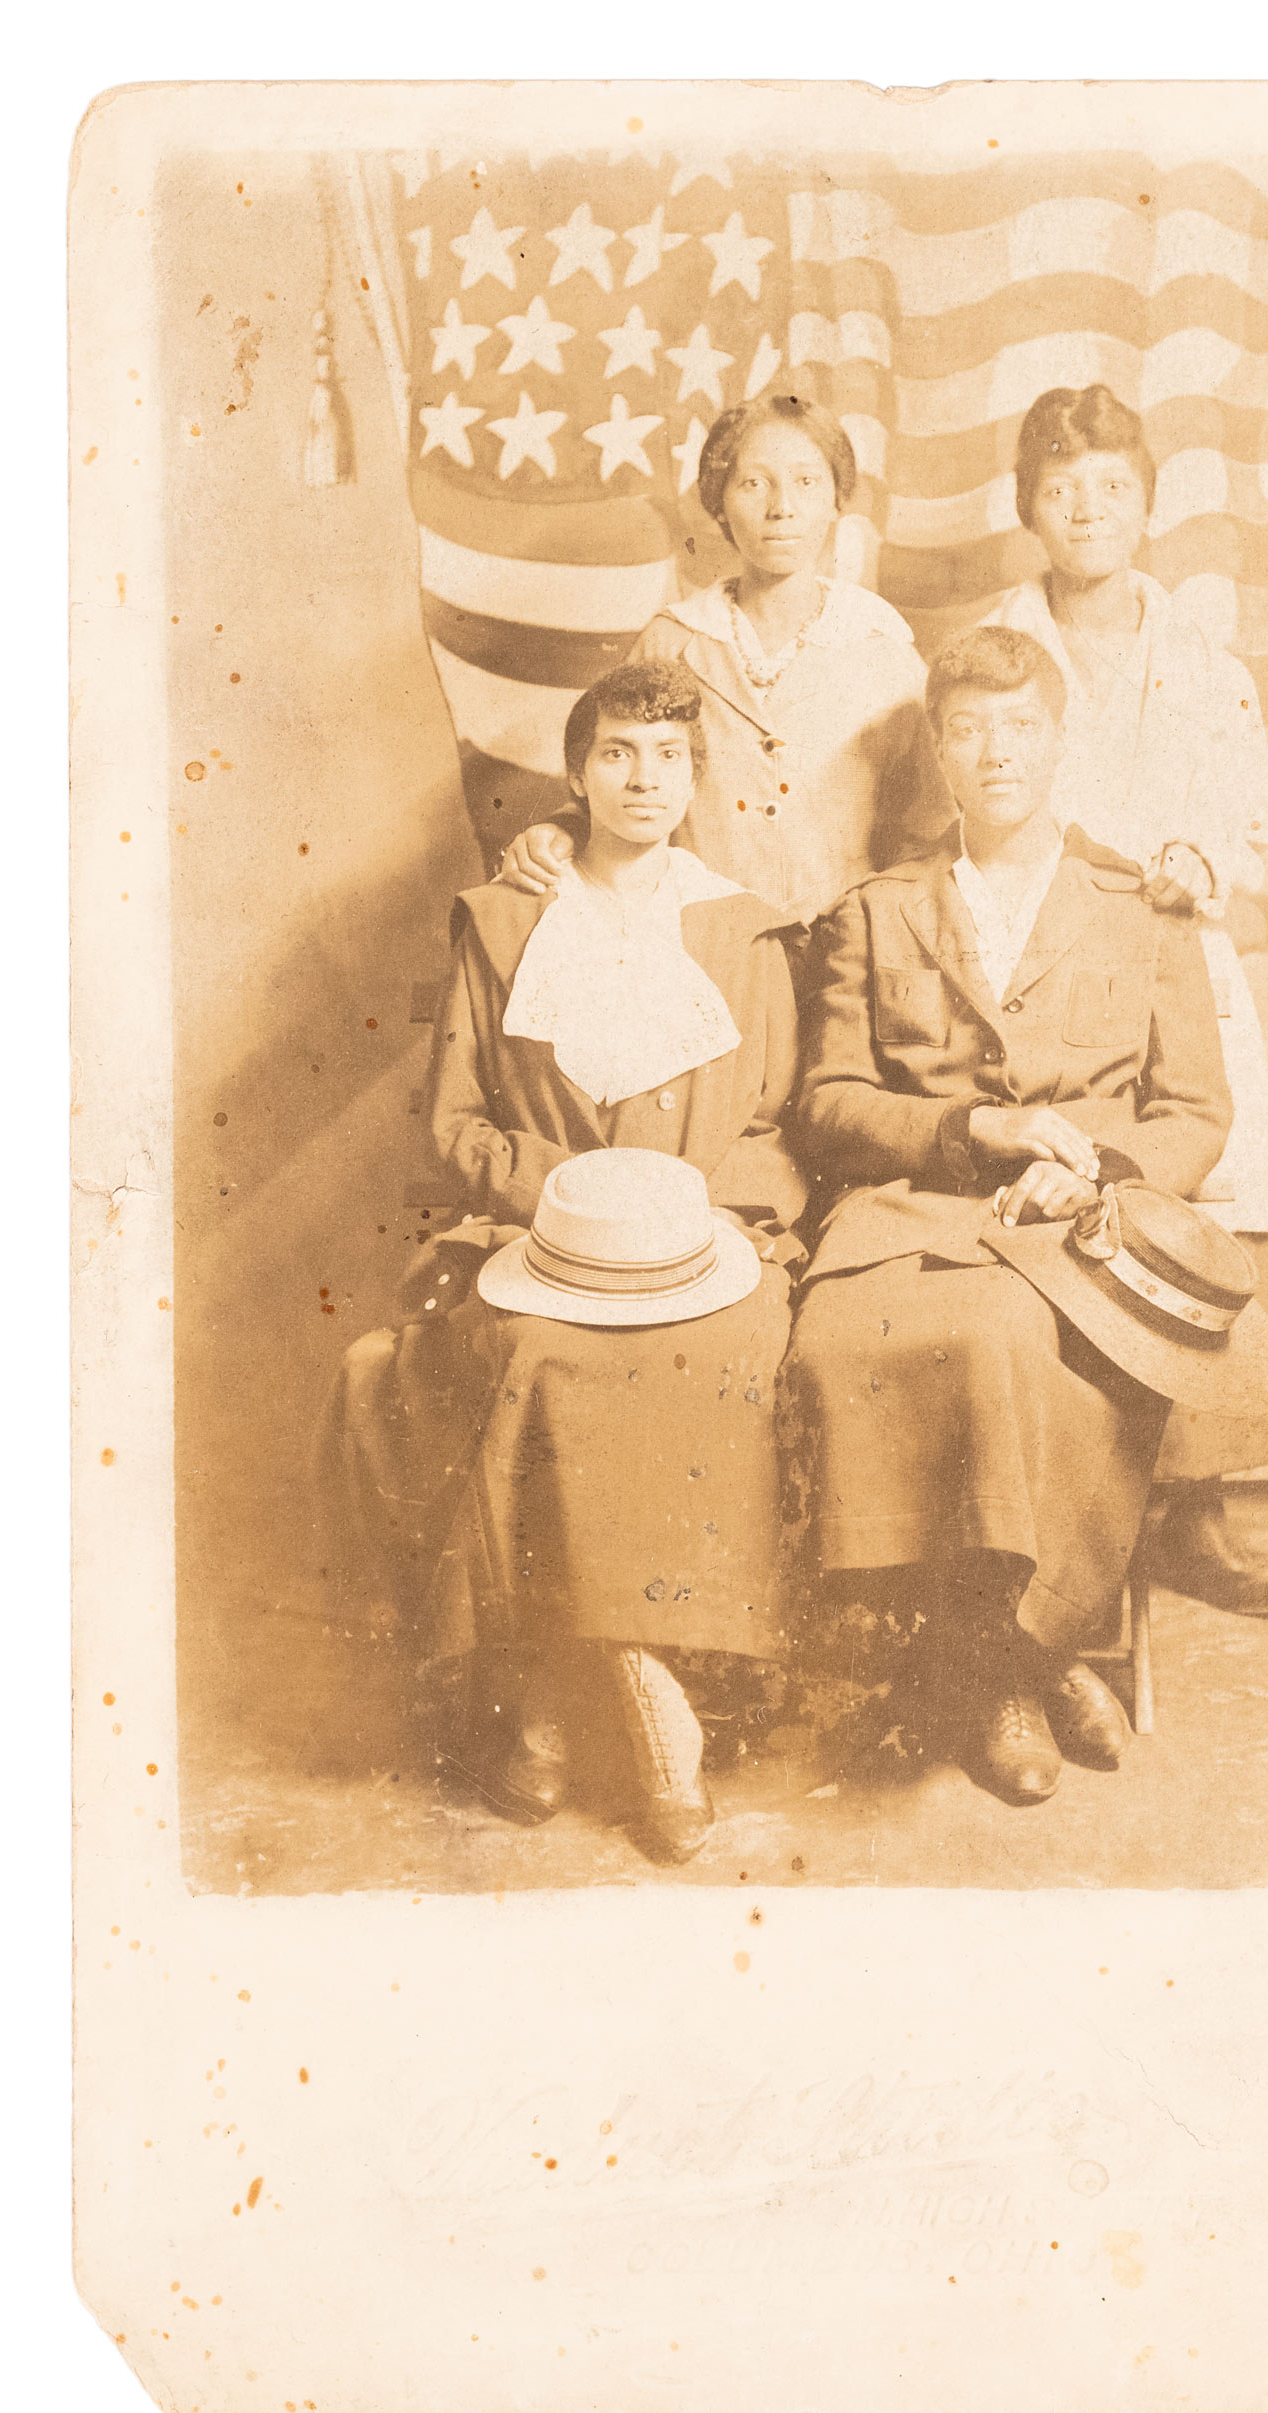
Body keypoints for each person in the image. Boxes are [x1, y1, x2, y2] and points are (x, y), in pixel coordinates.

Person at [322, 661, 807, 1866]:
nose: (644, 782)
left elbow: (773, 1126)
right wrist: (578, 1201)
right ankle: (651, 1716)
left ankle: (548, 1698)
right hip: (535, 1245)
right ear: (576, 773)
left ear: (696, 778)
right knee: (536, 1352)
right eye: (616, 755)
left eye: (669, 758)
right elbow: (453, 1125)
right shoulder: (501, 919)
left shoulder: (740, 929)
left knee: (725, 1350)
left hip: (706, 1245)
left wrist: (690, 1212)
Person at [780, 626, 1235, 1806]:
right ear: (936, 747)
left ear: (1057, 741)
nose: (994, 753)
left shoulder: (1140, 905)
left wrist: (1099, 1171)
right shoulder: (876, 910)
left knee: (1010, 1339)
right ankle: (1018, 1662)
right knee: (845, 1347)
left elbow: (1192, 1111)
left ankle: (997, 1665)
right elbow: (826, 1103)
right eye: (969, 729)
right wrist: (967, 1134)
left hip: (1079, 1234)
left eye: (1019, 726)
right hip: (903, 1213)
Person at [982, 384, 1268, 1616]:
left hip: (1178, 954)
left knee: (1200, 1198)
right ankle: (1084, 1511)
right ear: (1028, 506)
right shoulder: (996, 651)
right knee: (1069, 1196)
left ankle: (1196, 1509)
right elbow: (968, 796)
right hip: (1052, 960)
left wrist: (1200, 866)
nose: (1085, 509)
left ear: (1142, 504)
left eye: (1109, 487)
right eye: (1060, 488)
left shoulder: (1202, 661)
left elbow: (1248, 824)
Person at [493, 392, 952, 930]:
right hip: (699, 943)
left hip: (851, 954)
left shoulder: (881, 648)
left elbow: (934, 821)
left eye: (806, 482)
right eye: (753, 483)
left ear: (836, 500)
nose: (781, 507)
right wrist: (563, 830)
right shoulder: (673, 642)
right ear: (719, 504)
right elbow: (618, 784)